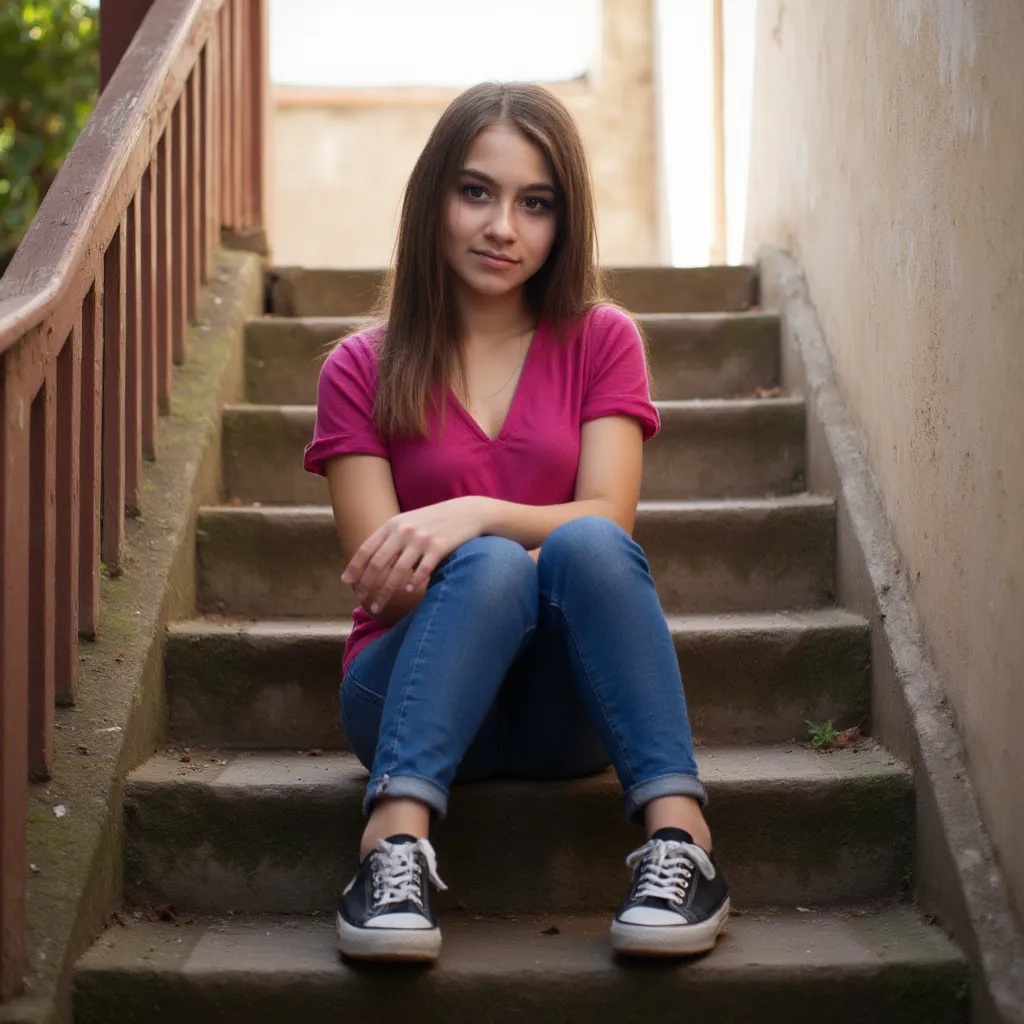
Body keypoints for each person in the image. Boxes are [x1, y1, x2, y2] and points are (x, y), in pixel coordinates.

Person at [303, 81, 729, 964]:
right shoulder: (359, 367)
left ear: (561, 223)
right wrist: (488, 547)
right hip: (402, 690)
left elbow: (608, 519)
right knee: (497, 565)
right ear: (434, 201)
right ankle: (391, 853)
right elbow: (383, 586)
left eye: (535, 204)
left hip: (557, 711)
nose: (504, 226)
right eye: (476, 192)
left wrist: (474, 512)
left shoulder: (603, 340)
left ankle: (683, 844)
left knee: (585, 541)